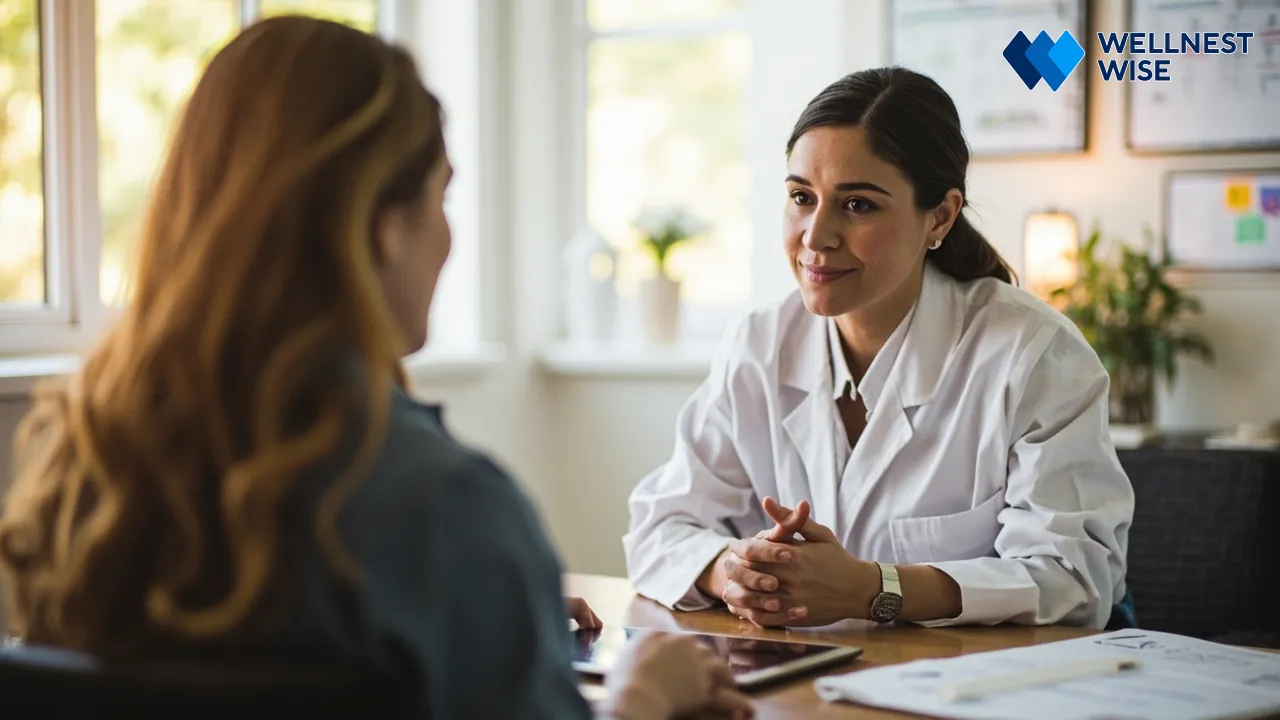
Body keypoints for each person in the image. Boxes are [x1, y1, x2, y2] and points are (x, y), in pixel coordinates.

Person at [0, 17, 752, 720]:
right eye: (442, 194)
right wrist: (637, 700)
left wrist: (488, 603)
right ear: (382, 225)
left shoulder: (78, 470)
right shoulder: (450, 508)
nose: (449, 235)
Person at [624, 67, 1134, 631]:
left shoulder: (1033, 353)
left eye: (858, 205)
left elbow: (1076, 579)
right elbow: (658, 528)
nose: (816, 237)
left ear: (939, 215)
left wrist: (873, 589)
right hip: (804, 684)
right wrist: (733, 570)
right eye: (801, 197)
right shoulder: (758, 345)